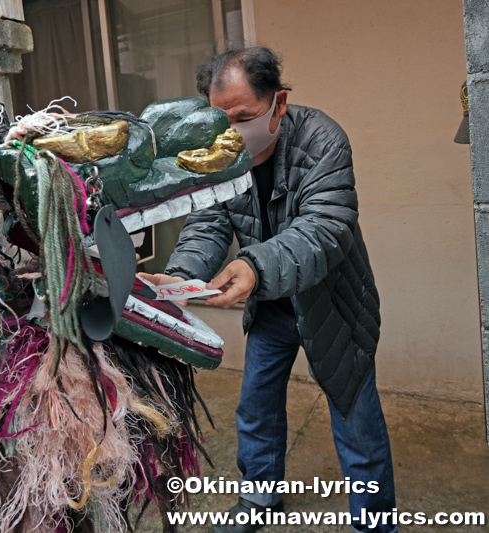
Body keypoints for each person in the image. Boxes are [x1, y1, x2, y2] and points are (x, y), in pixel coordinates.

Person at [141, 46, 397, 533]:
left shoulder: (322, 139)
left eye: (244, 117)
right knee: (256, 408)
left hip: (333, 303)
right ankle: (260, 500)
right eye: (221, 121)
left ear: (277, 104)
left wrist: (253, 266)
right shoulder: (221, 153)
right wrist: (180, 275)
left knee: (356, 419)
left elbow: (326, 227)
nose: (232, 132)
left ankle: (376, 523)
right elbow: (208, 222)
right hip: (271, 303)